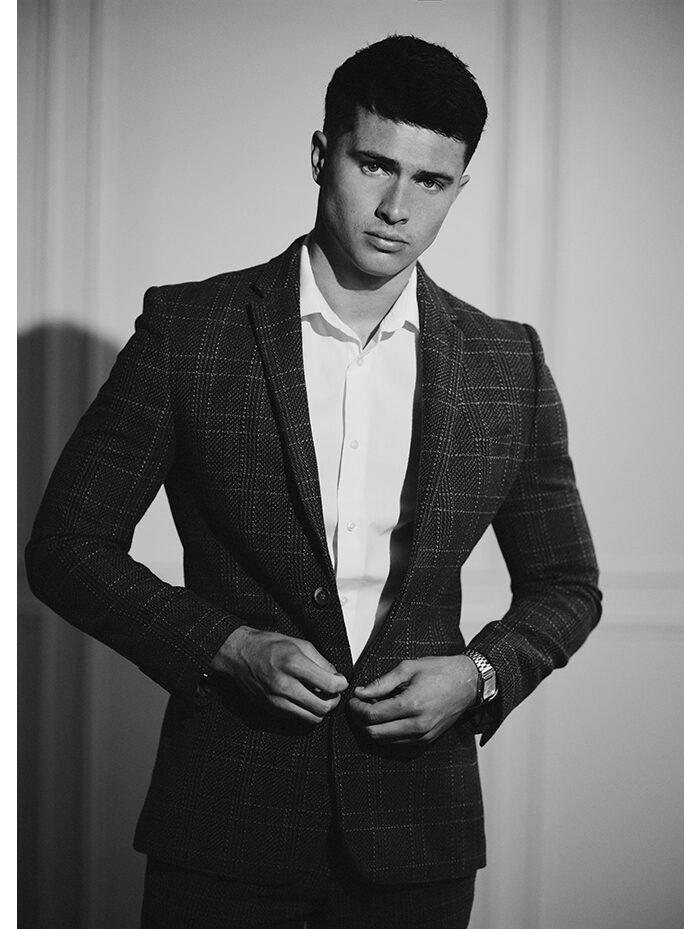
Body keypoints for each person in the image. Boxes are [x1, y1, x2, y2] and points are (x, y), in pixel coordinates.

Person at [25, 34, 601, 929]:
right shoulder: (190, 331)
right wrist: (225, 645)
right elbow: (66, 548)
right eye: (375, 165)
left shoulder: (507, 362)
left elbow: (568, 583)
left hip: (417, 832)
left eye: (431, 181)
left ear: (459, 188)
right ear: (320, 154)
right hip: (225, 821)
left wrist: (480, 674)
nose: (397, 207)